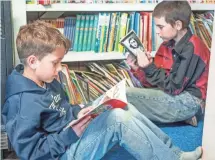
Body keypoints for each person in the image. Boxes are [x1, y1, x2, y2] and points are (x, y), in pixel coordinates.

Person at [2, 20, 202, 160]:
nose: (59, 69)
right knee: (117, 120)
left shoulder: (45, 78)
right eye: (55, 63)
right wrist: (70, 135)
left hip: (68, 133)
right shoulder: (21, 105)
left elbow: (61, 111)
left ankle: (173, 153)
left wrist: (78, 110)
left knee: (123, 105)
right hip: (61, 153)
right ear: (32, 61)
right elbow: (31, 154)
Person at [126, 1, 210, 126]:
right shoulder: (166, 45)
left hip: (188, 101)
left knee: (125, 95)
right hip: (171, 94)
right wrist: (139, 69)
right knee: (124, 97)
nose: (157, 32)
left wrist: (149, 68)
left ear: (177, 25)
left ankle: (185, 116)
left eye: (161, 27)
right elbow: (157, 84)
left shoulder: (193, 47)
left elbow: (174, 88)